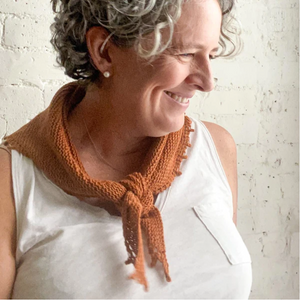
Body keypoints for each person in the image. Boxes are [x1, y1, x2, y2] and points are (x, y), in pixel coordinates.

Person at [0, 0, 252, 298]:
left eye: (210, 54)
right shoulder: (10, 183)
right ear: (104, 51)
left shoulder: (215, 150)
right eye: (185, 53)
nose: (207, 82)